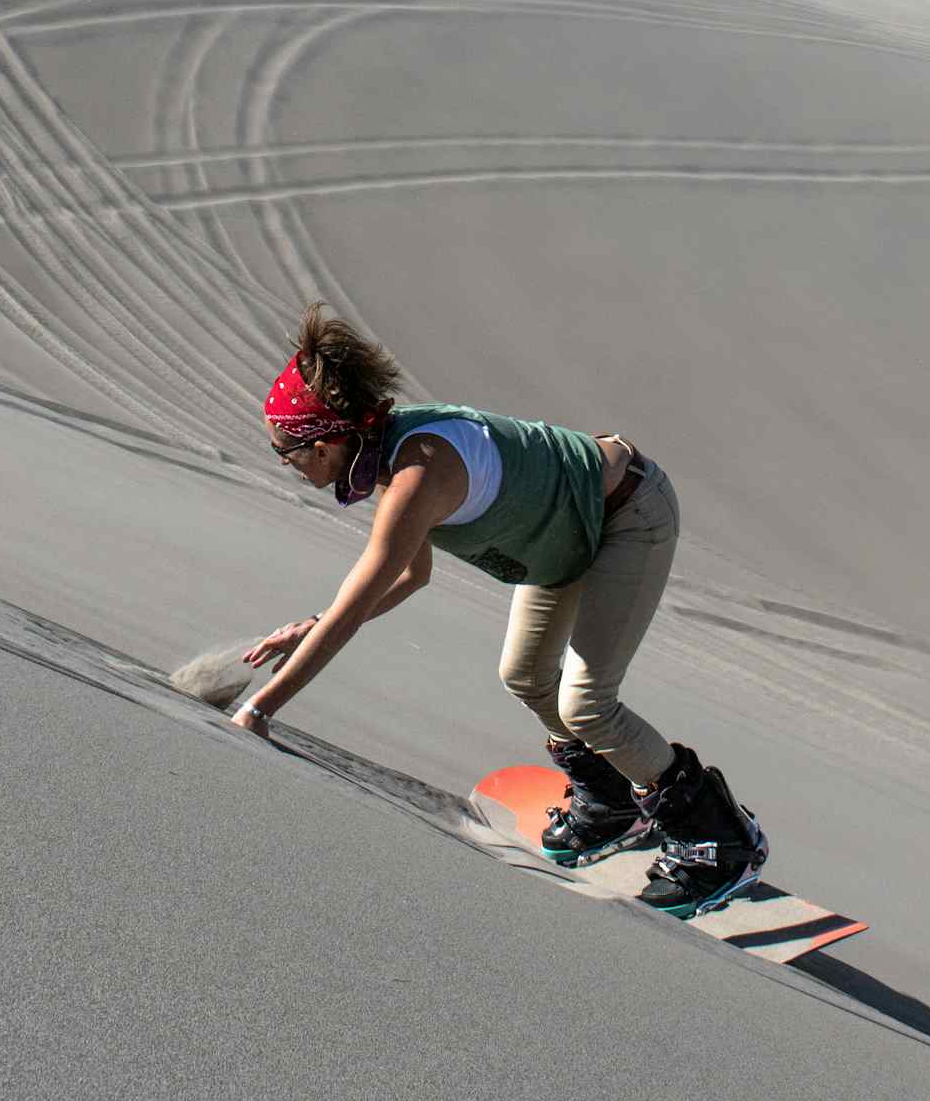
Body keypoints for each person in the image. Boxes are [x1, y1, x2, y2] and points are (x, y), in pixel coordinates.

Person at [225, 301, 769, 916]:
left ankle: (720, 839)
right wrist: (313, 627)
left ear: (323, 444)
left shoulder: (417, 473)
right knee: (526, 675)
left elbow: (360, 602)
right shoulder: (382, 455)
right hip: (562, 539)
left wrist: (256, 710)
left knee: (586, 704)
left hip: (626, 516)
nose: (286, 465)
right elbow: (411, 575)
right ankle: (614, 800)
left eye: (284, 451)